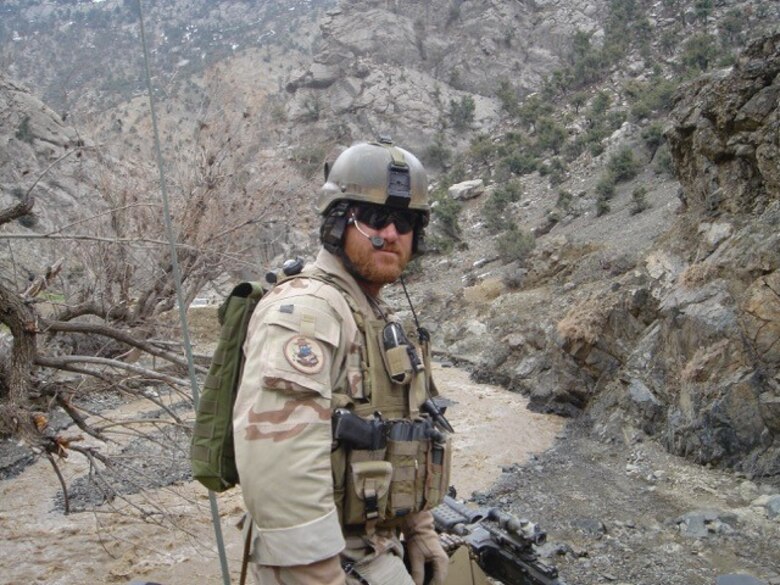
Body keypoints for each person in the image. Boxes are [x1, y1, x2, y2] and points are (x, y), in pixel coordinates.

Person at [233, 138, 452, 585]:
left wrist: (418, 528)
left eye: (405, 221)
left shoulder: (374, 314)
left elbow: (404, 427)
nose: (390, 233)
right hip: (322, 558)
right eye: (373, 217)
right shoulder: (309, 313)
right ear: (337, 223)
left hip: (373, 543)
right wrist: (318, 574)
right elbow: (278, 469)